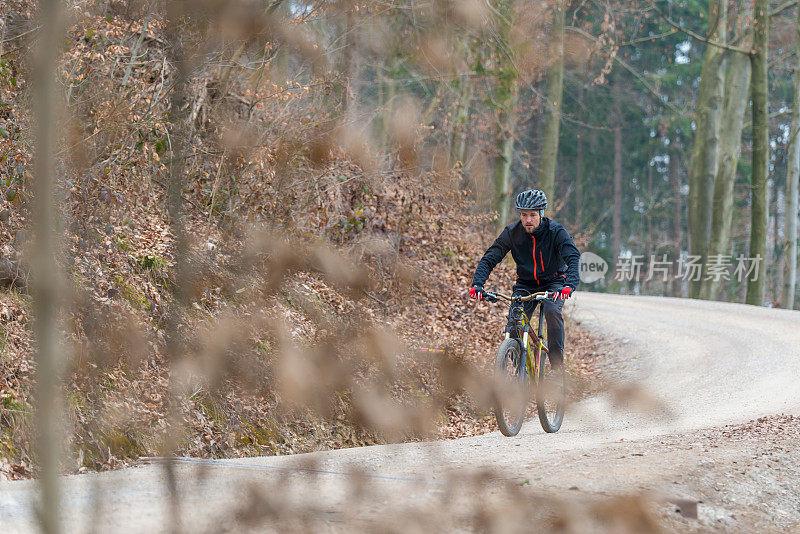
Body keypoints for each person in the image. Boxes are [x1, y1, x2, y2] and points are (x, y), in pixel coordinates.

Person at [468, 189, 580, 371]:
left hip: (554, 283)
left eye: (533, 215)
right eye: (524, 215)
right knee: (514, 325)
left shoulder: (556, 231)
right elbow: (490, 258)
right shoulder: (512, 233)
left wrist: (569, 285)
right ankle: (522, 371)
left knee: (552, 311)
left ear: (541, 214)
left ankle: (557, 370)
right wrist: (477, 284)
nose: (528, 220)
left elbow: (573, 257)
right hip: (525, 285)